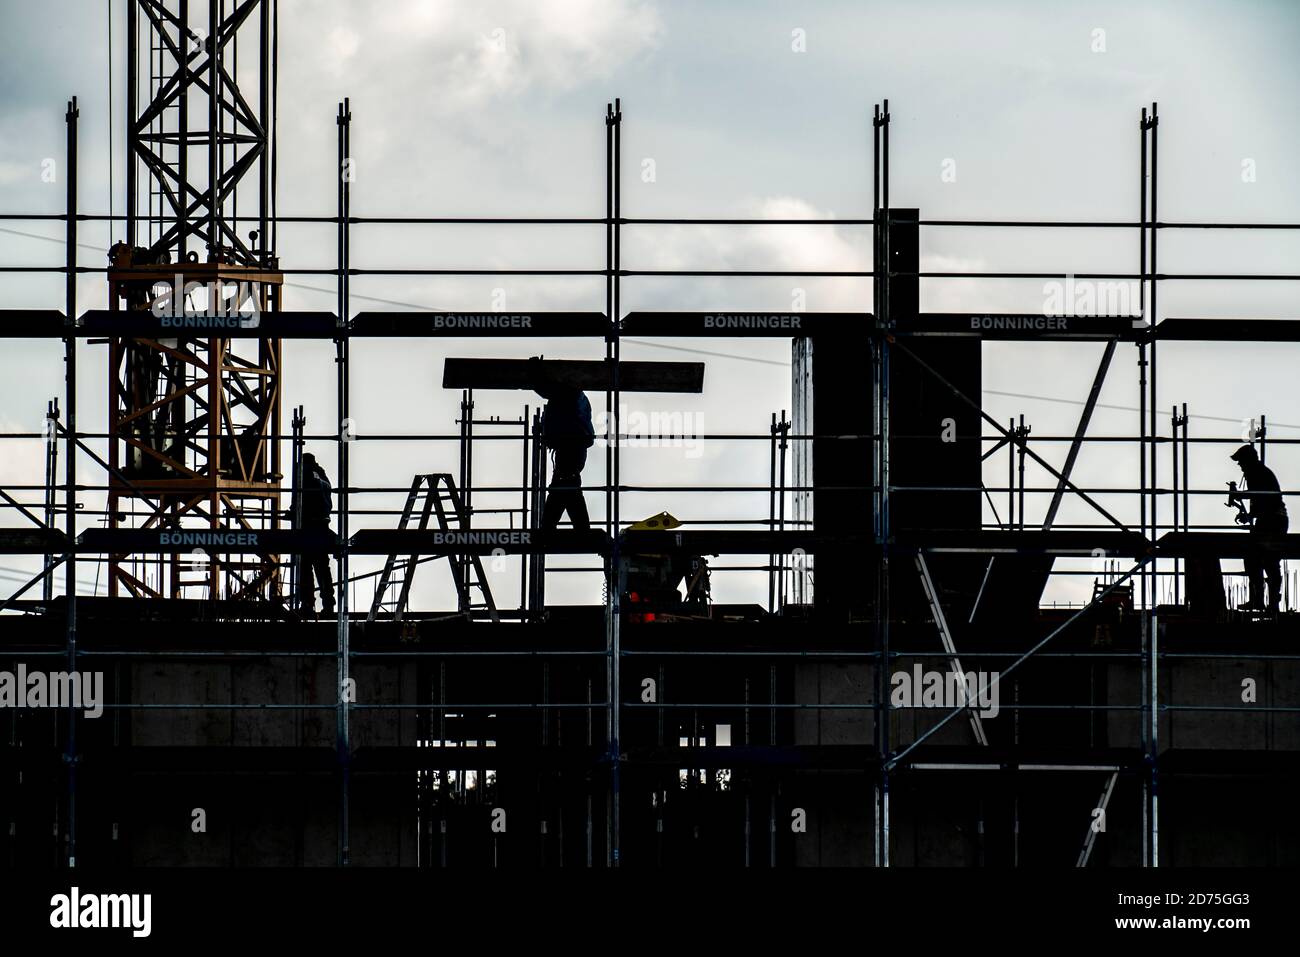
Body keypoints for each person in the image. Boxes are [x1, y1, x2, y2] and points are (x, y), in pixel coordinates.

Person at [530, 356, 594, 532]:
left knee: (565, 480)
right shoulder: (578, 397)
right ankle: (578, 529)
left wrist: (536, 369)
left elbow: (543, 389)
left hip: (570, 445)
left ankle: (554, 529)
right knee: (567, 481)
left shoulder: (567, 394)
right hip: (574, 445)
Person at [1229, 444, 1288, 614]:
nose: (1240, 466)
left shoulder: (1258, 473)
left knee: (1267, 560)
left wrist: (1241, 496)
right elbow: (1260, 500)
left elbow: (1260, 496)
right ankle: (1261, 601)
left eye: (1241, 462)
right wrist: (1249, 514)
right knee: (1255, 558)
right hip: (1271, 519)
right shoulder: (1258, 473)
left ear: (1248, 461)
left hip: (1273, 520)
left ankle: (1267, 602)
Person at [288, 451, 336, 617]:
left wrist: (294, 512)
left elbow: (302, 497)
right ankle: (329, 604)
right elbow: (326, 500)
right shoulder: (322, 475)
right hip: (322, 525)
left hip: (307, 527)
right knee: (322, 568)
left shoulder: (303, 472)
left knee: (305, 568)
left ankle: (308, 604)